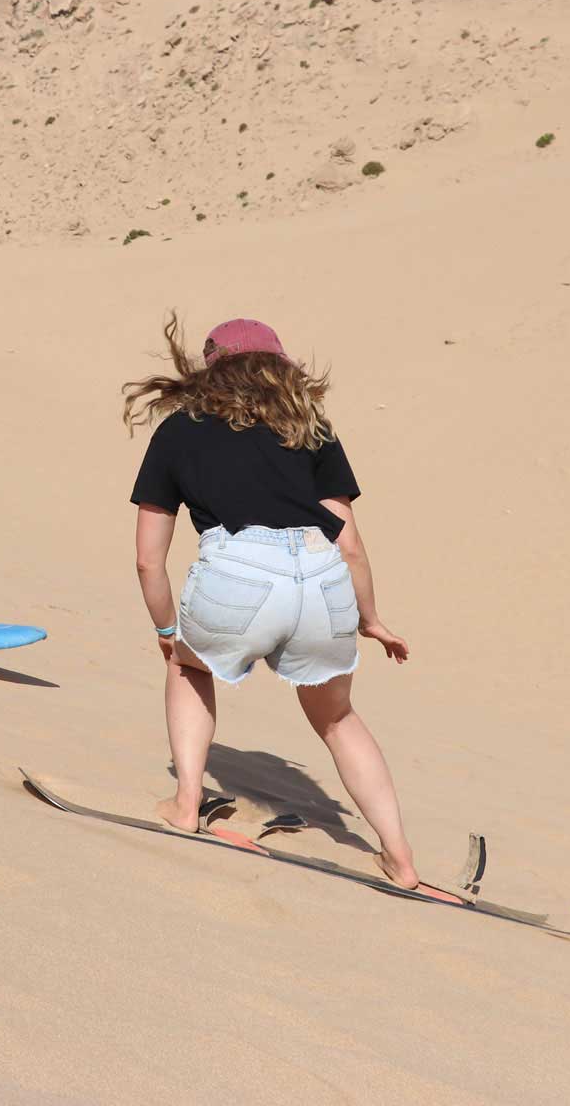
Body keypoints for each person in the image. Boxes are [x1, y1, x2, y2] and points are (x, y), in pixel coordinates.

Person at [124, 313, 443, 895]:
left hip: (238, 572)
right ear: (279, 369)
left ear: (210, 370)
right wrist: (371, 620)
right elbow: (349, 544)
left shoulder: (179, 431)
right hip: (321, 577)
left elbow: (150, 559)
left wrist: (167, 628)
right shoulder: (310, 427)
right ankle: (401, 859)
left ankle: (187, 802)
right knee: (338, 718)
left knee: (189, 667)